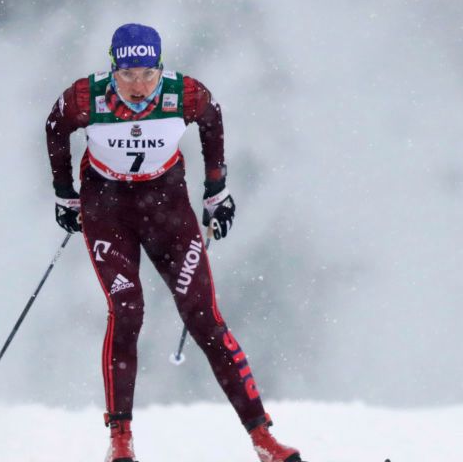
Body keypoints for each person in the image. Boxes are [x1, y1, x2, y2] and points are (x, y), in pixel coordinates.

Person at [44, 23, 302, 462]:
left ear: (160, 68)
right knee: (127, 312)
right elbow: (55, 126)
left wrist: (216, 190)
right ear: (113, 69)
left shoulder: (183, 94)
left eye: (148, 73)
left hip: (166, 207)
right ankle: (120, 440)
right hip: (107, 210)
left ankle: (263, 439)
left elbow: (212, 119)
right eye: (128, 75)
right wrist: (64, 193)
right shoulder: (85, 98)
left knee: (205, 318)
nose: (139, 86)